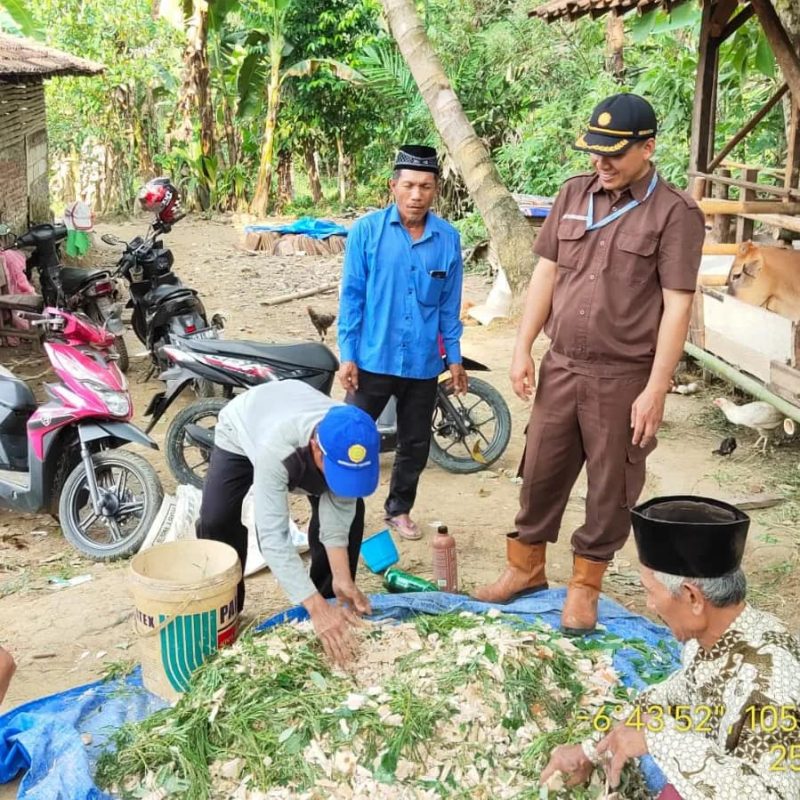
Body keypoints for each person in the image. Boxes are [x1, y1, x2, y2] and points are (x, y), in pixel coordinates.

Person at [473, 94, 706, 634]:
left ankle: (584, 588)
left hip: (624, 376)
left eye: (614, 153)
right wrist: (521, 346)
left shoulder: (675, 213)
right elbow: (547, 275)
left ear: (648, 148)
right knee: (540, 472)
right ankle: (524, 570)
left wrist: (656, 388)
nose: (601, 162)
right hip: (562, 366)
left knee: (611, 486)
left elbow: (677, 306)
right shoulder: (573, 194)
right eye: (594, 150)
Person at [540, 496, 800, 800]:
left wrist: (659, 738)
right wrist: (590, 751)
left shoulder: (770, 687)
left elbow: (774, 795)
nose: (650, 606)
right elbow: (667, 700)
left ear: (692, 598)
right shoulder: (715, 641)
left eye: (652, 593)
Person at [196, 379, 380, 665]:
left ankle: (326, 599)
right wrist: (316, 609)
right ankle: (227, 612)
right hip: (245, 426)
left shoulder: (351, 435)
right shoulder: (277, 448)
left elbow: (337, 517)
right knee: (216, 519)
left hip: (293, 408)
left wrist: (342, 579)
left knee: (352, 514)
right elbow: (273, 535)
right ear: (317, 448)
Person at [337, 144, 467, 541]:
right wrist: (348, 355)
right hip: (373, 357)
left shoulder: (447, 239)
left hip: (423, 363)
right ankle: (338, 506)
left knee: (415, 442)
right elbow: (352, 297)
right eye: (409, 185)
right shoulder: (366, 232)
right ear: (393, 186)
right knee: (349, 433)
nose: (416, 195)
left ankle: (399, 509)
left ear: (435, 190)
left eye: (425, 186)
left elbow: (449, 306)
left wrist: (455, 358)